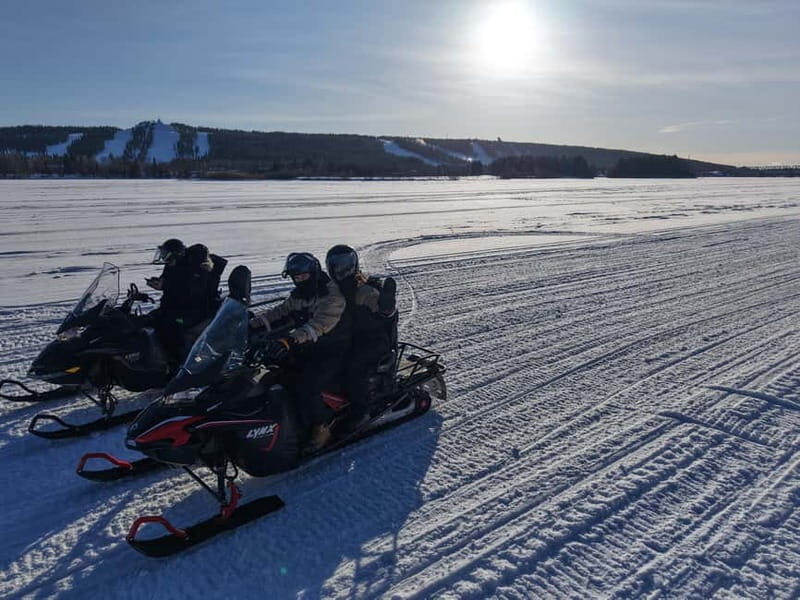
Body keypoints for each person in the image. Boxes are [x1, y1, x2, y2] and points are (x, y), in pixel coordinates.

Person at [249, 252, 350, 453]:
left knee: (306, 384)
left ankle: (322, 426)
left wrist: (291, 339)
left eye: (302, 276)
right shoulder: (301, 295)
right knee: (275, 374)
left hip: (333, 348)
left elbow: (319, 325)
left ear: (313, 273)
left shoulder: (330, 295)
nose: (298, 280)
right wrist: (251, 324)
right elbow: (280, 311)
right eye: (295, 277)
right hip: (308, 347)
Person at [325, 244, 397, 430]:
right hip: (349, 337)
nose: (339, 269)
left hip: (373, 341)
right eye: (335, 265)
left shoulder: (364, 290)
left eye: (343, 265)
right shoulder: (332, 289)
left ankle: (361, 412)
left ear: (353, 265)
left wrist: (386, 307)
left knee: (353, 367)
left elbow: (382, 309)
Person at [147, 238, 227, 366]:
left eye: (166, 256)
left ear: (177, 255)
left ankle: (179, 362)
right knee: (150, 319)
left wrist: (166, 285)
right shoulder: (171, 266)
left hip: (195, 310)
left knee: (172, 325)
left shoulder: (197, 267)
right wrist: (158, 282)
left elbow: (193, 291)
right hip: (175, 308)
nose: (164, 260)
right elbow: (168, 280)